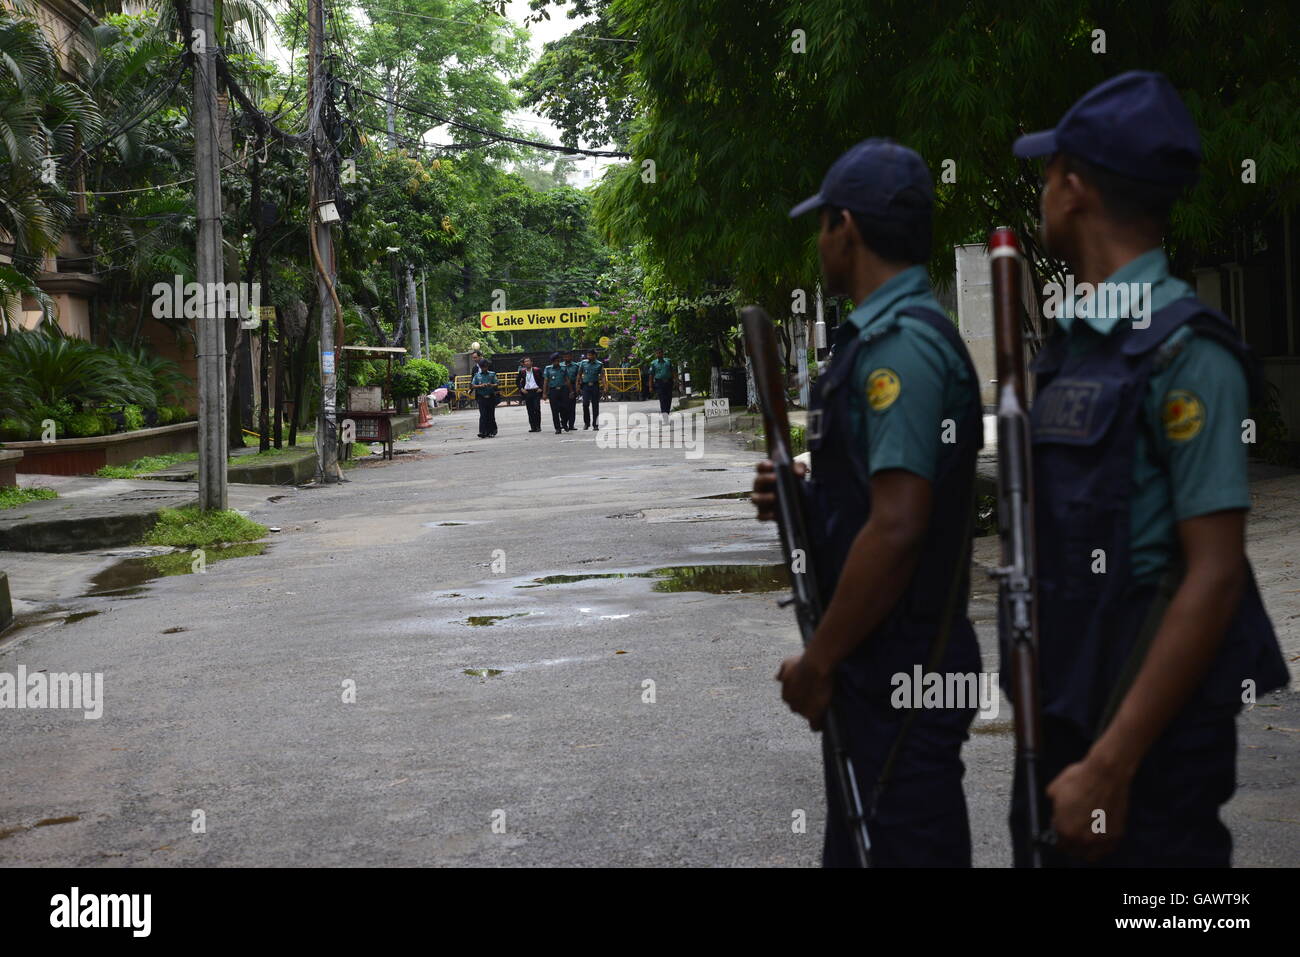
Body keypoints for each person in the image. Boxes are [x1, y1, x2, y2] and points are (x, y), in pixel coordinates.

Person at [1006, 71, 1288, 867]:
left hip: (1147, 756)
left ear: (1073, 186)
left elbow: (1215, 574)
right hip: (1066, 723)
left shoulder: (1184, 351)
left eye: (1046, 172)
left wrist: (1111, 762)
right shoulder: (1078, 343)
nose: (1041, 192)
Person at [751, 138, 983, 867]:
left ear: (845, 226)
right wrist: (806, 498)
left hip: (904, 667)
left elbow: (898, 524)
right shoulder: (878, 342)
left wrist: (818, 660)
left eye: (821, 224)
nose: (818, 241)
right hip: (884, 665)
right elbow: (875, 496)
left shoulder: (899, 349)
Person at [576, 348, 606, 430]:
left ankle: (595, 425)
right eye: (587, 355)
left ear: (594, 356)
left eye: (590, 355)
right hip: (585, 386)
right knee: (585, 404)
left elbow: (602, 376)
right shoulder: (583, 363)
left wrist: (605, 387)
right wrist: (578, 385)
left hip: (595, 386)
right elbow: (579, 374)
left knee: (595, 405)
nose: (588, 356)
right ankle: (586, 423)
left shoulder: (599, 364)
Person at [542, 351, 570, 435]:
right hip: (553, 391)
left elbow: (567, 380)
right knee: (554, 411)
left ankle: (564, 423)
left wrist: (571, 391)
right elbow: (546, 381)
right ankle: (557, 428)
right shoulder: (548, 369)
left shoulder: (564, 368)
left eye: (558, 361)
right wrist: (544, 393)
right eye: (555, 361)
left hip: (563, 390)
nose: (557, 362)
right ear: (552, 361)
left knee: (565, 409)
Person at [472, 359, 498, 438]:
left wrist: (491, 385)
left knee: (490, 414)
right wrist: (480, 386)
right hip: (481, 397)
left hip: (490, 396)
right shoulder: (477, 375)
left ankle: (492, 431)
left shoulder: (492, 374)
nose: (484, 369)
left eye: (485, 367)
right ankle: (483, 431)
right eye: (482, 367)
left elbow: (497, 383)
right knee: (483, 415)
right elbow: (473, 385)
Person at [518, 356, 543, 432]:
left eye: (528, 361)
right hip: (527, 392)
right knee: (530, 410)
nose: (527, 363)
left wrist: (541, 388)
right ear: (524, 364)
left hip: (536, 391)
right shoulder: (522, 372)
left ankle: (538, 426)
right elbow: (517, 381)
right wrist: (522, 389)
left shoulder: (537, 370)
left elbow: (543, 379)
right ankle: (533, 427)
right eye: (525, 361)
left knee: (537, 408)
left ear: (531, 362)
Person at [648, 348, 674, 415]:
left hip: (669, 382)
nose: (658, 354)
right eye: (657, 353)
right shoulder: (653, 363)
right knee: (662, 399)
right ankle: (665, 416)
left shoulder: (668, 361)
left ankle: (667, 413)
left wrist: (676, 381)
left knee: (669, 399)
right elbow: (651, 375)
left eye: (660, 353)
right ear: (655, 354)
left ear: (663, 353)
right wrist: (650, 386)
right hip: (659, 383)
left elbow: (673, 372)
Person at [559, 350, 579, 430]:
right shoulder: (560, 365)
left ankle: (571, 425)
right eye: (565, 356)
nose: (567, 358)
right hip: (562, 387)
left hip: (572, 387)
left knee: (571, 407)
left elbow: (578, 377)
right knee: (563, 407)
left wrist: (578, 387)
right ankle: (563, 422)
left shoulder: (576, 366)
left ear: (571, 357)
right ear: (563, 357)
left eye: (568, 356)